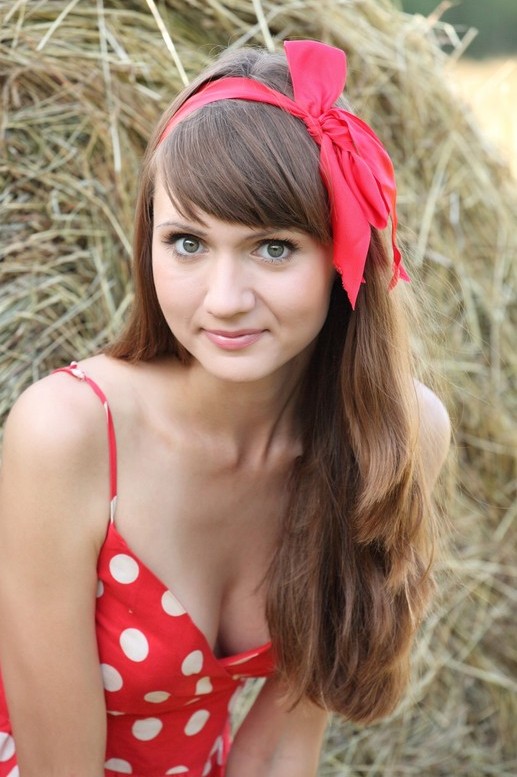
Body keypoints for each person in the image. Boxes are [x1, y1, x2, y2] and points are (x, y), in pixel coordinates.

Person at [0, 39, 450, 777]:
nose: (224, 299)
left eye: (272, 248)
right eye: (187, 242)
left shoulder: (389, 441)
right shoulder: (69, 433)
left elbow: (282, 746)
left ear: (345, 254)